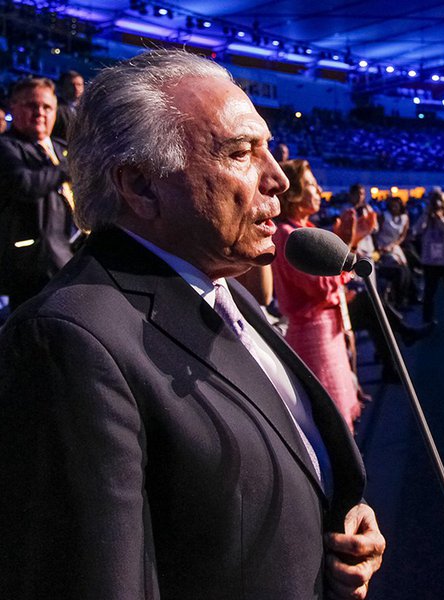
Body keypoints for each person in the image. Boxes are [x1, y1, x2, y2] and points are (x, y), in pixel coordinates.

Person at [0, 50, 384, 599]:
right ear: (141, 187)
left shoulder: (219, 281)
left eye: (268, 150)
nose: (275, 177)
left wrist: (336, 517)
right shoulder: (66, 340)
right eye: (241, 152)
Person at [270, 159, 361, 430]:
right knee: (331, 416)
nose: (319, 190)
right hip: (314, 335)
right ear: (294, 193)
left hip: (325, 331)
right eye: (310, 184)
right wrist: (346, 250)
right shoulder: (290, 235)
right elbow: (322, 287)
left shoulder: (301, 228)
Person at [0, 76, 75, 309]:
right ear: (14, 107)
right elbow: (25, 184)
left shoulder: (63, 149)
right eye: (32, 106)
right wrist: (66, 169)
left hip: (74, 253)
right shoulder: (6, 147)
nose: (40, 112)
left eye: (47, 107)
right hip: (32, 263)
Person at [414, 187, 444, 329]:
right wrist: (426, 215)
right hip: (430, 262)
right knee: (429, 292)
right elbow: (417, 230)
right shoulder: (427, 217)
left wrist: (440, 219)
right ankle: (428, 319)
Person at [52, 69, 84, 141]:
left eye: (79, 85)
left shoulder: (86, 110)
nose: (76, 88)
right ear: (62, 86)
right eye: (72, 85)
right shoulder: (55, 108)